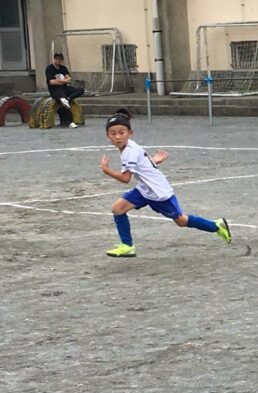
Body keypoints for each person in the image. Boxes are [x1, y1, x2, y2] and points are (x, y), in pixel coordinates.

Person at [101, 109, 231, 258]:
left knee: (181, 221)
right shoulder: (129, 146)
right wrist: (154, 161)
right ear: (107, 136)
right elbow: (142, 163)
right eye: (113, 133)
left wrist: (106, 170)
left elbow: (125, 179)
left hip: (159, 193)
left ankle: (216, 225)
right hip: (145, 190)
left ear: (130, 133)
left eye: (121, 132)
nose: (117, 137)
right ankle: (127, 246)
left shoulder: (129, 151)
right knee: (118, 209)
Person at [44, 52, 85, 128]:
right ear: (54, 59)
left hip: (65, 88)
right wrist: (64, 81)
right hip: (55, 90)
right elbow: (51, 82)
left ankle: (68, 98)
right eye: (56, 59)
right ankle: (70, 122)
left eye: (59, 59)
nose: (58, 60)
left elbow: (69, 80)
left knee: (80, 90)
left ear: (62, 60)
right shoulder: (49, 68)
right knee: (63, 101)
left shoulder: (63, 68)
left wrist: (59, 81)